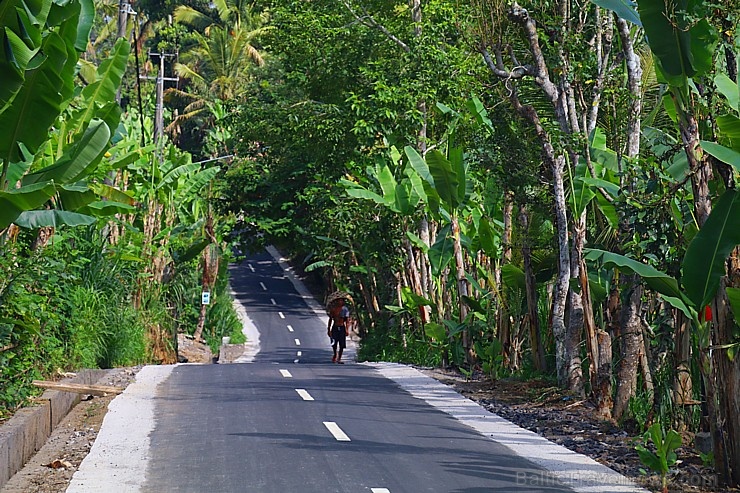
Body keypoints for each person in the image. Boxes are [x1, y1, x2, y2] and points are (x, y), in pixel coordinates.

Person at [327, 298, 349, 364]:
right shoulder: (333, 309)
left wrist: (347, 330)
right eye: (339, 301)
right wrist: (329, 329)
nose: (340, 302)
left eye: (341, 300)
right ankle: (335, 354)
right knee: (334, 343)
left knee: (342, 344)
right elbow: (330, 319)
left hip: (342, 327)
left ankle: (339, 358)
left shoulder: (345, 310)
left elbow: (347, 320)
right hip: (335, 327)